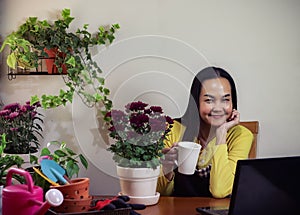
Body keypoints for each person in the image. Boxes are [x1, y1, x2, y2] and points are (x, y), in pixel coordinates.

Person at [156, 66, 253, 198]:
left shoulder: (241, 136)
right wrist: (166, 169)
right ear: (196, 102)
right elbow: (161, 194)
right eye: (209, 100)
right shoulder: (173, 129)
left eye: (225, 99)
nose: (218, 108)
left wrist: (221, 134)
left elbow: (220, 191)